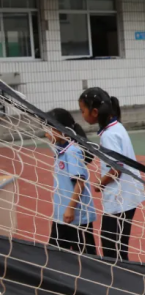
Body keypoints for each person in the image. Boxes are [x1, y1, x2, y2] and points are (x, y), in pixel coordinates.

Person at [78, 88, 145, 262]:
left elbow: (116, 168)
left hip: (119, 200)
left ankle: (122, 280)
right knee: (119, 246)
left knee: (111, 248)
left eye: (82, 111)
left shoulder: (108, 135)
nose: (82, 115)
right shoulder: (117, 127)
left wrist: (100, 184)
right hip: (128, 196)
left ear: (94, 112)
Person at [46, 108, 97, 255]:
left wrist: (70, 208)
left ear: (61, 129)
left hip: (76, 217)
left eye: (49, 129)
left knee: (86, 258)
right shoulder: (60, 151)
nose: (46, 134)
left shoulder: (72, 151)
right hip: (61, 217)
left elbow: (79, 183)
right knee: (55, 255)